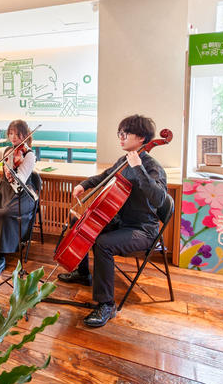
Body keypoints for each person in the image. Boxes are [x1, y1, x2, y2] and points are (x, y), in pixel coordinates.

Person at [58, 114, 167, 328]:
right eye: (120, 133)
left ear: (141, 137)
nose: (121, 137)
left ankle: (107, 304)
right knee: (81, 222)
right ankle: (83, 273)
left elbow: (159, 199)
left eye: (126, 133)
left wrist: (138, 168)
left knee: (103, 244)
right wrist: (84, 184)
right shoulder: (123, 161)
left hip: (143, 230)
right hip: (121, 222)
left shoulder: (152, 166)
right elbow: (105, 176)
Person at [0, 119, 36, 279]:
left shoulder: (29, 155)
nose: (14, 137)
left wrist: (11, 167)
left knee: (4, 214)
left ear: (25, 135)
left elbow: (21, 179)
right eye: (11, 133)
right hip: (4, 191)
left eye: (18, 134)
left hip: (21, 194)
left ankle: (0, 257)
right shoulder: (8, 150)